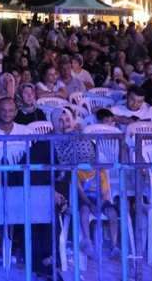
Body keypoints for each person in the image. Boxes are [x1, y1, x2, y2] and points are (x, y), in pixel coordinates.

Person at [47, 107, 121, 260]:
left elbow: (104, 191)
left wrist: (100, 203)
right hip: (75, 194)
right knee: (83, 210)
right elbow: (75, 187)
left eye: (67, 119)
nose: (64, 124)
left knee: (112, 212)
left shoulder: (86, 144)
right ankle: (84, 241)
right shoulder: (51, 142)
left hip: (96, 197)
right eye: (59, 121)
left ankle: (114, 246)